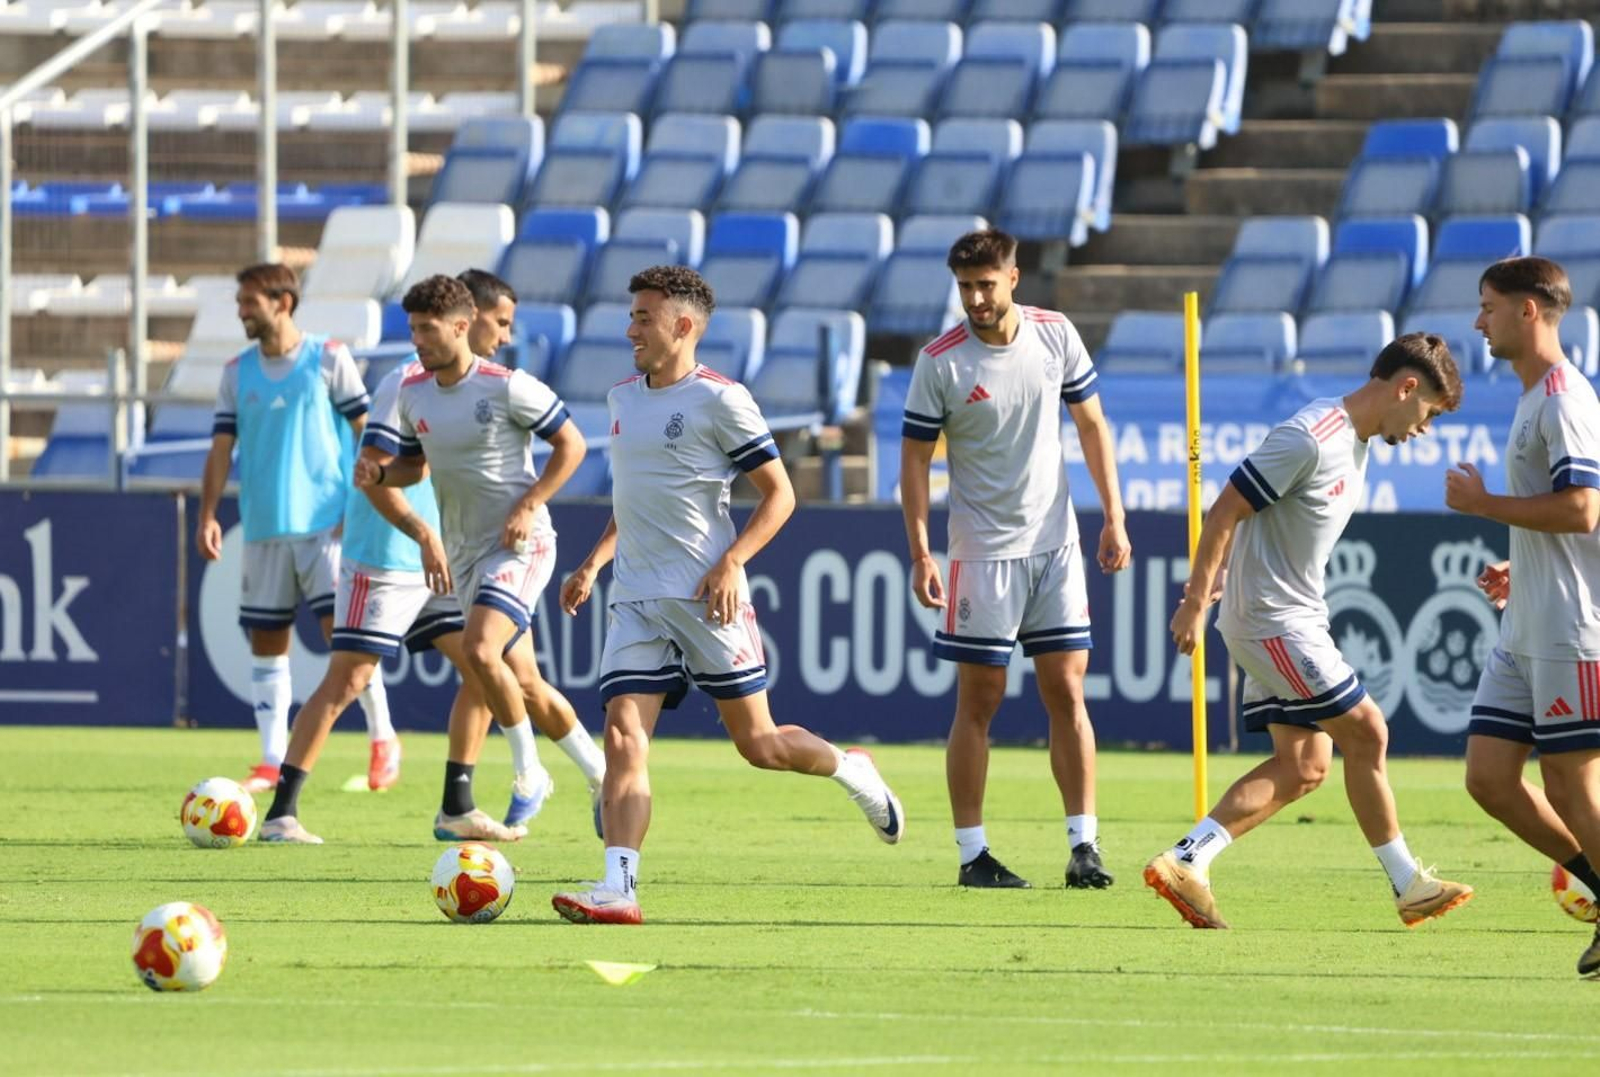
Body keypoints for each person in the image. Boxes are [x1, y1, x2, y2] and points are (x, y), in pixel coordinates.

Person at [550, 265, 904, 926]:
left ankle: (852, 769)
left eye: (643, 318)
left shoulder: (721, 399)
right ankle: (619, 886)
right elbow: (636, 498)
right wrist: (595, 561)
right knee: (623, 738)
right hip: (635, 599)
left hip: (704, 598)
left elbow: (781, 493)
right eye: (631, 316)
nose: (630, 329)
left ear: (683, 326)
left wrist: (734, 560)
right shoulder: (623, 397)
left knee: (760, 745)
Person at [259, 270, 605, 844]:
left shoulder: (508, 385)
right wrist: (379, 473)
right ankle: (598, 774)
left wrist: (530, 503)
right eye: (413, 328)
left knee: (478, 652)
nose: (417, 339)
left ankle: (527, 771)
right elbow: (409, 467)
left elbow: (573, 443)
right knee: (516, 680)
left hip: (517, 544)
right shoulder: (412, 388)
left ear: (461, 325)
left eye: (426, 328)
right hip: (447, 554)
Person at [1147, 332, 1474, 930]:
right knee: (1368, 732)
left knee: (1304, 765)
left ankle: (1188, 861)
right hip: (1276, 621)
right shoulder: (1311, 436)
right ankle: (1408, 884)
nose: (1424, 428)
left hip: (1284, 616)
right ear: (1405, 387)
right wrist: (1196, 599)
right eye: (1427, 412)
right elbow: (1227, 509)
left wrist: (1224, 580)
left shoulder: (1354, 442)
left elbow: (1262, 521)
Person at [899, 228, 1130, 891]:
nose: (974, 298)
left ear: (1013, 278)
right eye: (965, 287)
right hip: (983, 553)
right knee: (981, 699)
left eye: (985, 285)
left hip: (1056, 546)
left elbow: (1091, 425)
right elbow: (914, 460)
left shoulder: (1056, 336)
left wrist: (1112, 516)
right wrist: (920, 550)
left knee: (1066, 690)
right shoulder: (939, 361)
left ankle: (1084, 845)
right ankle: (973, 852)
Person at [1447, 256, 1600, 977]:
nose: (1479, 321)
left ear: (1529, 310)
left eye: (1488, 306)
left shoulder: (1565, 397)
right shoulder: (1532, 395)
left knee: (1571, 783)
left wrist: (1486, 507)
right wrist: (1520, 556)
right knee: (1489, 777)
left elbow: (1582, 507)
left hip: (1570, 627)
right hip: (1526, 620)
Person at [195, 263, 382, 795]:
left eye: (250, 301)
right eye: (240, 301)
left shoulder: (327, 358)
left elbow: (367, 432)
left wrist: (363, 503)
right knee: (267, 640)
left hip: (326, 525)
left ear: (283, 302)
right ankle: (272, 758)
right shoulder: (236, 371)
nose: (241, 310)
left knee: (344, 639)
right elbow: (220, 449)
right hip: (263, 525)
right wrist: (209, 513)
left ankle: (381, 740)